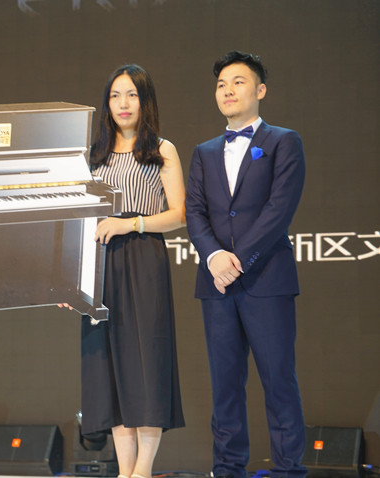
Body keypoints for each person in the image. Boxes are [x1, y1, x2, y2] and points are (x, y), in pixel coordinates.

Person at [185, 51, 307, 478]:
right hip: (216, 283)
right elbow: (194, 212)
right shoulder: (203, 152)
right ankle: (227, 468)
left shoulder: (283, 141)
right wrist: (214, 256)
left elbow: (279, 209)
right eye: (221, 84)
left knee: (278, 380)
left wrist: (237, 260)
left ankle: (289, 470)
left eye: (238, 82)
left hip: (267, 279)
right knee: (225, 386)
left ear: (260, 90)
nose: (228, 90)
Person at [80, 64, 186, 478]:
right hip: (99, 262)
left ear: (145, 101)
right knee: (109, 365)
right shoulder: (93, 155)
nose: (122, 104)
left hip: (142, 257)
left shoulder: (161, 149)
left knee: (147, 361)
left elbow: (179, 214)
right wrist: (70, 281)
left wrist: (131, 223)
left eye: (131, 95)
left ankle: (143, 469)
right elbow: (80, 220)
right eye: (115, 95)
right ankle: (124, 470)